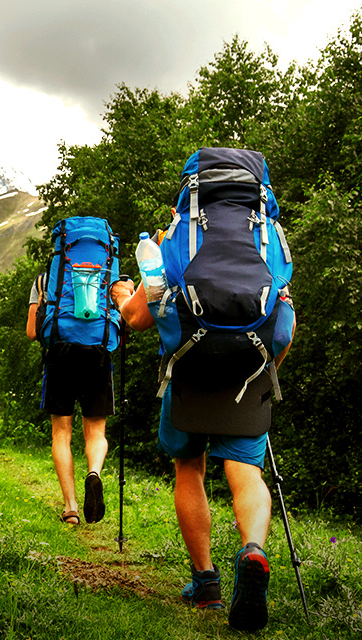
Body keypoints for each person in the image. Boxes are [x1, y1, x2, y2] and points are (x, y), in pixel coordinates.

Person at [110, 229, 294, 633]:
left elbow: (139, 318)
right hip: (250, 368)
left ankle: (206, 583)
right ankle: (253, 551)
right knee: (247, 473)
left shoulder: (175, 236)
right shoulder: (265, 234)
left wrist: (122, 296)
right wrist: (267, 374)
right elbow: (285, 322)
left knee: (189, 466)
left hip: (189, 369)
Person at [27, 277, 111, 526]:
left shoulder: (45, 279)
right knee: (96, 432)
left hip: (60, 352)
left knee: (61, 433)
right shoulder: (107, 270)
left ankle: (71, 508)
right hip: (98, 351)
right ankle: (94, 472)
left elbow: (32, 332)